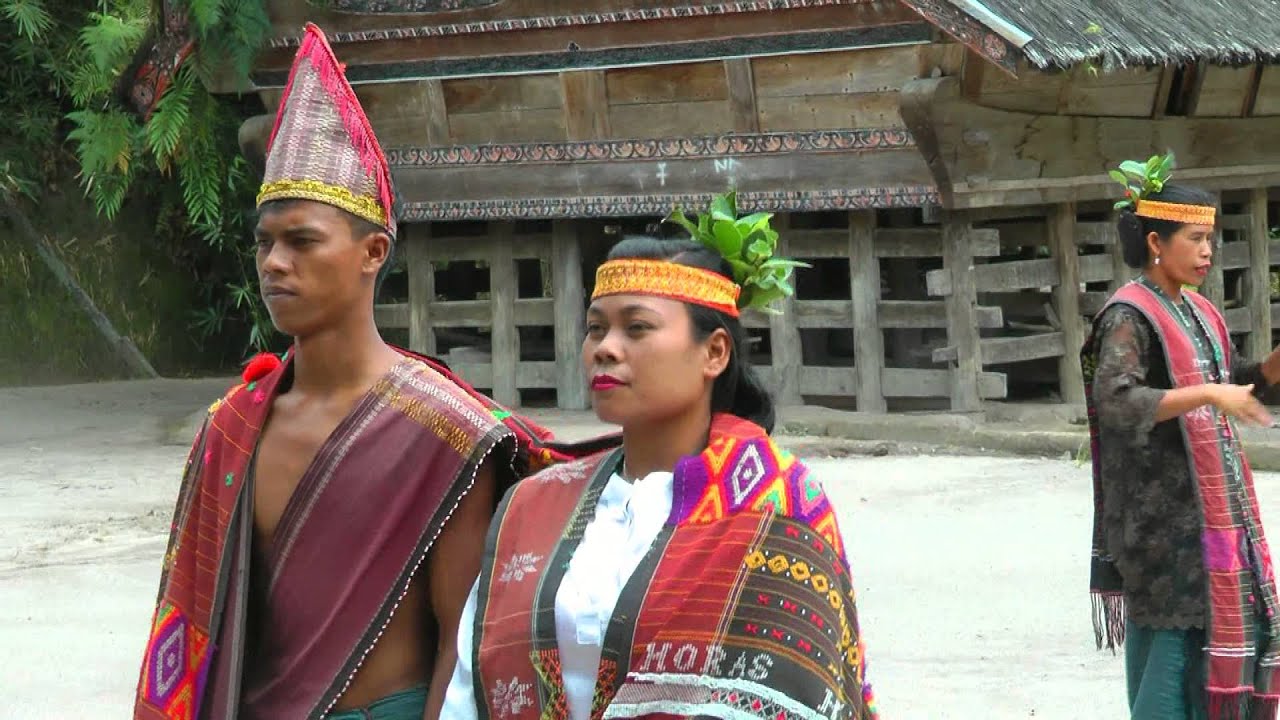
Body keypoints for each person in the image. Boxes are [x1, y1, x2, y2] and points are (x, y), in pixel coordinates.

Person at [131, 23, 597, 720]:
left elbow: (460, 651)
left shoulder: (447, 433)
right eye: (264, 243)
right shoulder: (231, 429)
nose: (273, 263)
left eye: (301, 242)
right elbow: (200, 626)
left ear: (372, 251)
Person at [441, 193, 878, 720]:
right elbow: (469, 687)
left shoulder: (780, 506)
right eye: (596, 328)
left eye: (637, 327)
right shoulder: (532, 505)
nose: (605, 347)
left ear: (714, 352)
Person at [1084, 154, 1280, 719]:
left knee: (1213, 641)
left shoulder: (1199, 311)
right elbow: (1117, 400)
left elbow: (1238, 384)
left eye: (1210, 240)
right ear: (1155, 242)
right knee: (1171, 660)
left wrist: (1270, 368)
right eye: (1194, 239)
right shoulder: (1129, 315)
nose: (1206, 252)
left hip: (1209, 518)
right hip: (1160, 521)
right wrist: (1210, 395)